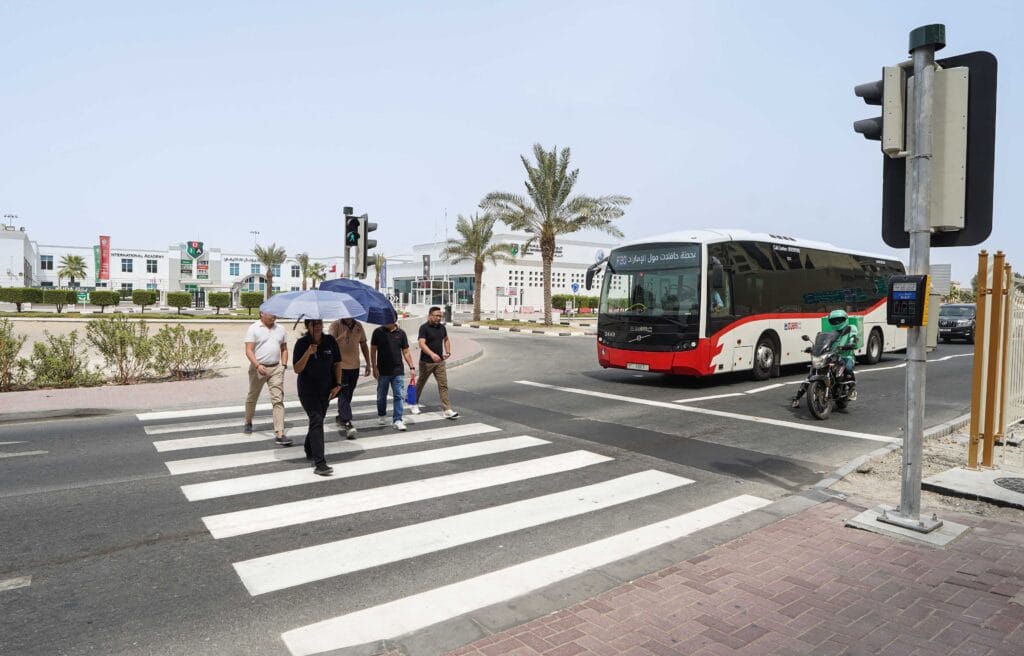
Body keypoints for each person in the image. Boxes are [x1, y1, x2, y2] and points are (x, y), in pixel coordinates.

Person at [292, 319, 342, 476]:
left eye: (319, 323)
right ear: (307, 326)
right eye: (314, 324)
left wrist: (338, 384)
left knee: (317, 421)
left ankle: (309, 448)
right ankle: (320, 463)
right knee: (317, 420)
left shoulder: (330, 341)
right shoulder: (302, 343)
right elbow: (297, 369)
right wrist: (308, 352)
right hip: (307, 391)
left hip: (325, 390)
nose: (318, 326)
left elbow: (337, 363)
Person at [243, 310, 290, 446]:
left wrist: (284, 365)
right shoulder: (254, 328)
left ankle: (280, 433)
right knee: (253, 395)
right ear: (261, 313)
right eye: (270, 313)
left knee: (278, 399)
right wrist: (257, 365)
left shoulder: (281, 329)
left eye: (275, 312)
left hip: (276, 368)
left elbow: (284, 348)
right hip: (258, 368)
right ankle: (248, 421)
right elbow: (248, 350)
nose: (273, 315)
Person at [370, 314, 416, 431]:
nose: (385, 321)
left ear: (394, 320)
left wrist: (411, 367)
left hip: (398, 371)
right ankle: (381, 415)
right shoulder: (378, 332)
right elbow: (373, 351)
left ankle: (398, 419)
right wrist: (374, 367)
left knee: (398, 396)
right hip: (382, 371)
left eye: (388, 319)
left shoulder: (401, 333)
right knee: (381, 396)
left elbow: (406, 352)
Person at [410, 306, 459, 419]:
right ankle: (413, 403)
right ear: (430, 315)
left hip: (440, 362)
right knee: (420, 383)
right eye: (436, 315)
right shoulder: (424, 328)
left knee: (443, 385)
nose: (438, 318)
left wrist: (448, 351)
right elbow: (422, 343)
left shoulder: (442, 328)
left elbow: (446, 339)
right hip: (426, 362)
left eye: (440, 316)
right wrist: (432, 354)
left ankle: (447, 409)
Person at [328, 317, 371, 438]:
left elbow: (363, 344)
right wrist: (342, 337)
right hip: (340, 367)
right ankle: (347, 422)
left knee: (349, 394)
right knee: (344, 393)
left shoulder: (358, 326)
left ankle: (341, 416)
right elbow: (329, 344)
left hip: (355, 366)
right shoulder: (335, 325)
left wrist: (368, 363)